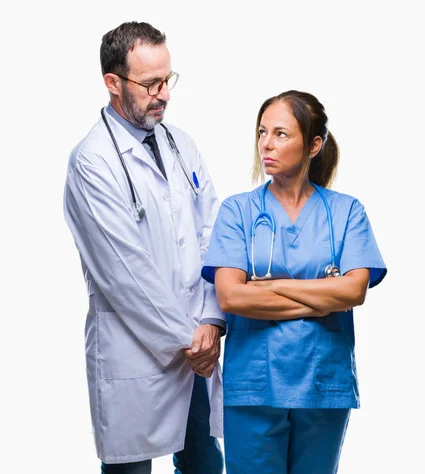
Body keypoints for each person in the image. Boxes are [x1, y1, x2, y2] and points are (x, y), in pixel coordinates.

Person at [63, 21, 225, 473]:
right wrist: (188, 339)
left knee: (204, 463)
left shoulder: (181, 145)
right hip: (140, 351)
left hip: (198, 344)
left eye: (167, 80)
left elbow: (214, 234)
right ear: (113, 83)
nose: (164, 94)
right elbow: (123, 271)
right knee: (131, 469)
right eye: (151, 83)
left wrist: (211, 320)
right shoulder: (91, 163)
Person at [200, 90, 387, 474]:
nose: (266, 144)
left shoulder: (346, 211)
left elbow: (354, 292)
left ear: (314, 145)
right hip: (254, 385)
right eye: (262, 132)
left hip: (323, 386)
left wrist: (266, 287)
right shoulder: (238, 210)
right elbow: (231, 296)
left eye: (281, 134)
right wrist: (324, 297)